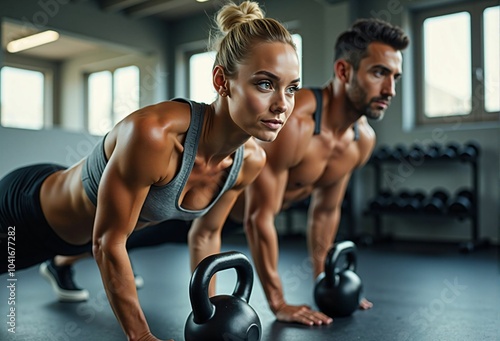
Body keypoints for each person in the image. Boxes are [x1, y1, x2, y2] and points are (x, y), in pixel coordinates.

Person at [0, 1, 300, 340]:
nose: (283, 104)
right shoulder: (154, 136)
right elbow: (108, 242)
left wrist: (210, 314)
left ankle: (58, 266)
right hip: (24, 214)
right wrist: (142, 336)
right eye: (265, 84)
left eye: (291, 88)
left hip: (76, 239)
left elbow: (204, 235)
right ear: (222, 81)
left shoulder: (249, 162)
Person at [240, 18, 409, 326]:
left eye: (395, 77)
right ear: (344, 71)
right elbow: (257, 217)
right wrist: (278, 302)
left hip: (240, 219)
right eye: (379, 73)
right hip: (201, 209)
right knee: (132, 230)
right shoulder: (296, 122)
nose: (391, 90)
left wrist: (327, 282)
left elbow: (325, 212)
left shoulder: (362, 140)